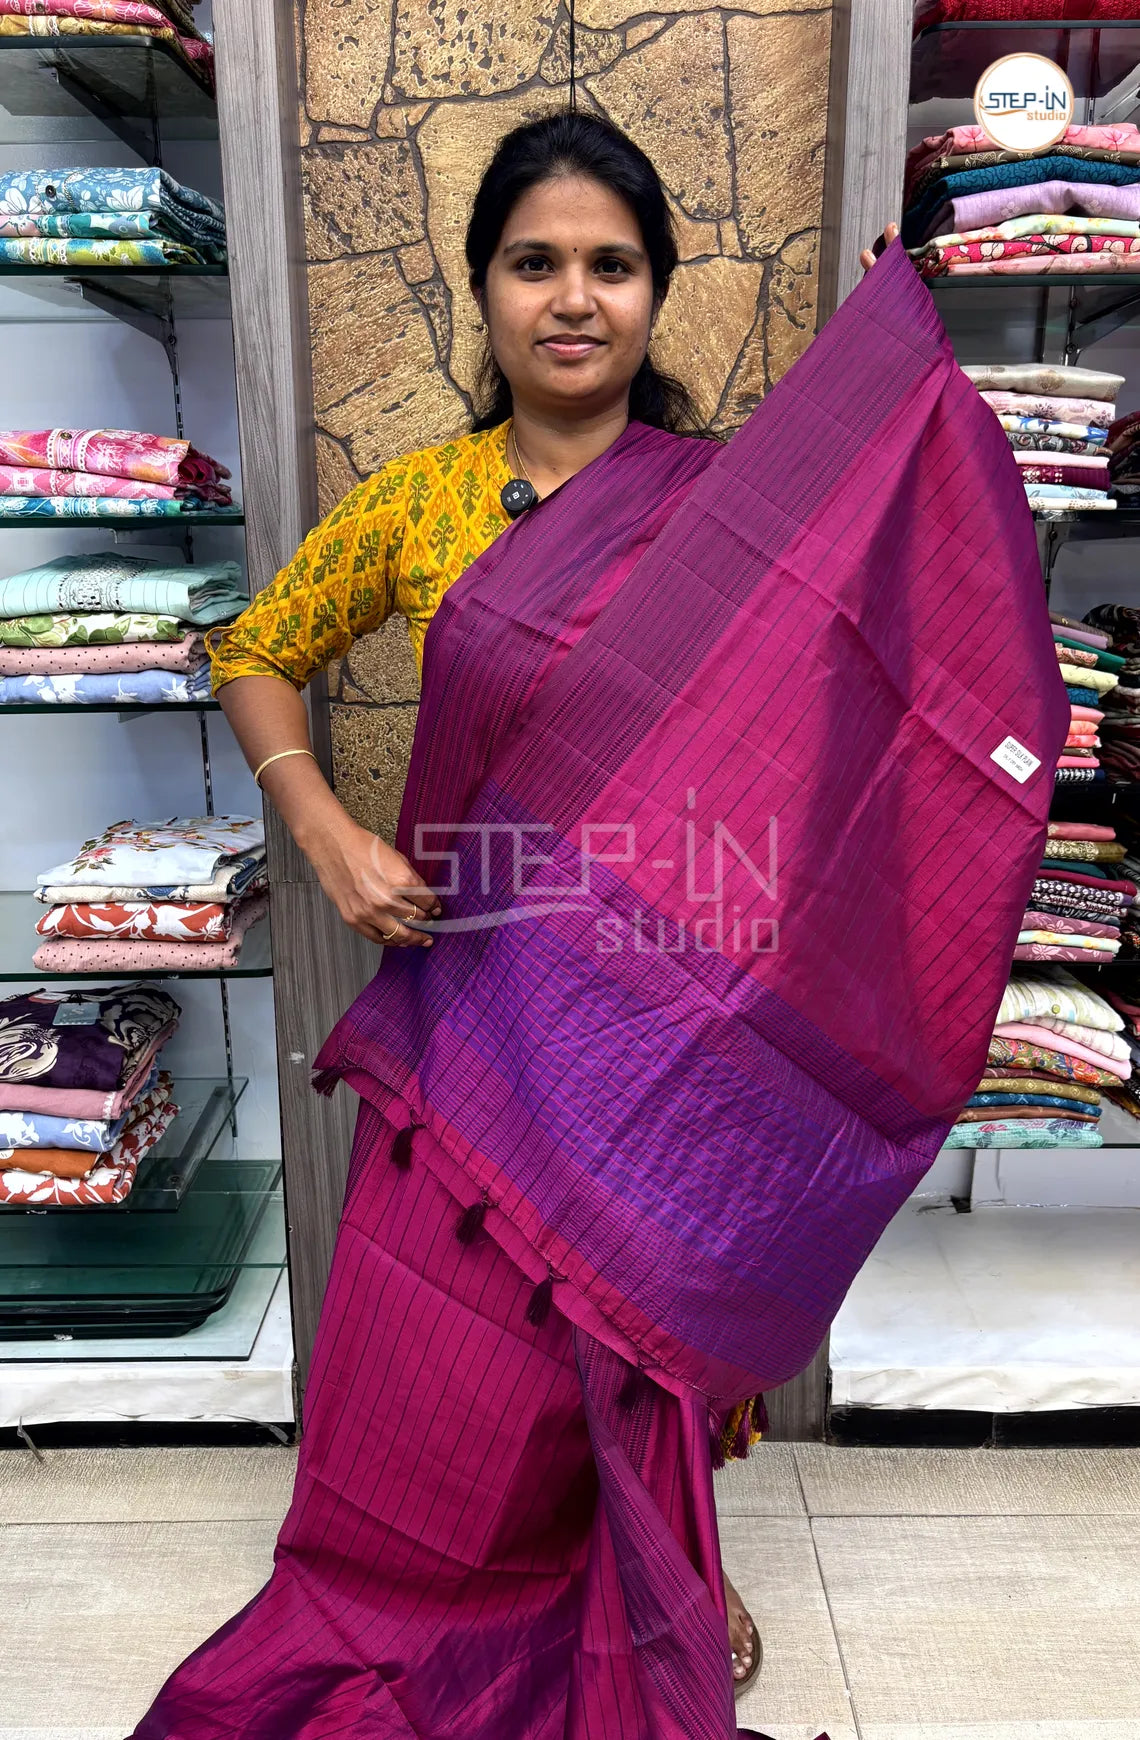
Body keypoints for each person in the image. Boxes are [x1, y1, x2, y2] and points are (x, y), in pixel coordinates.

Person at [129, 116, 1066, 1740]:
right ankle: (455, 1579)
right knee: (456, 1362)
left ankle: (654, 1563)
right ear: (484, 287)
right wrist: (330, 835)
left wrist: (910, 392)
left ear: (656, 290)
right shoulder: (419, 505)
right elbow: (257, 649)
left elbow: (878, 669)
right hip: (477, 1010)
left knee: (643, 1323)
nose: (575, 298)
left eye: (612, 265)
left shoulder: (732, 510)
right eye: (535, 263)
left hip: (674, 1016)